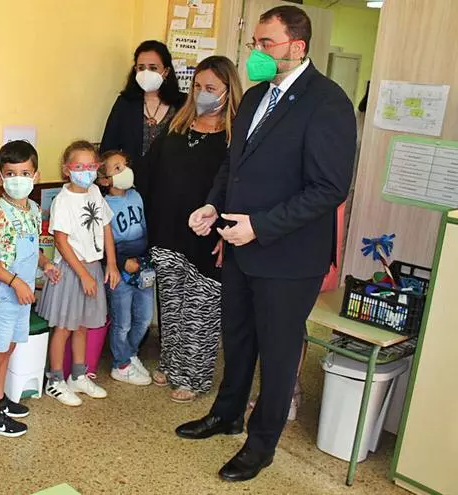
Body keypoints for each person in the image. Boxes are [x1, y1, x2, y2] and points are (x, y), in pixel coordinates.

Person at [178, 6, 356, 482]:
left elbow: (329, 188)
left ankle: (261, 445)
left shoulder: (327, 102)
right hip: (240, 246)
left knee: (278, 354)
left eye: (266, 43)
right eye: (253, 42)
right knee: (237, 338)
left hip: (289, 256)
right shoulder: (257, 96)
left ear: (297, 46)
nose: (255, 52)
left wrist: (260, 226)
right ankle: (227, 414)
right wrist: (213, 205)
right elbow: (233, 166)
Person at [141, 56, 242, 403]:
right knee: (172, 307)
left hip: (208, 239)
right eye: (197, 86)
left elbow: (238, 191)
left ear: (228, 92)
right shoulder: (176, 129)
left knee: (199, 310)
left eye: (211, 88)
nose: (202, 94)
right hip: (168, 233)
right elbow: (151, 177)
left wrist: (227, 234)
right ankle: (171, 364)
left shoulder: (234, 139)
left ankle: (193, 377)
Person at [0, 141, 59, 437]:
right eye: (11, 173)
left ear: (36, 176)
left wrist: (45, 265)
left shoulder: (34, 209)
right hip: (4, 296)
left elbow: (32, 248)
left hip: (22, 297)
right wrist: (15, 282)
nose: (18, 179)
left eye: (25, 173)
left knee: (8, 350)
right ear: (1, 176)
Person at [37, 140, 120, 406]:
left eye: (91, 166)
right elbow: (61, 242)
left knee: (82, 325)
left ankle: (78, 375)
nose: (86, 172)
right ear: (67, 169)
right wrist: (83, 275)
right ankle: (55, 380)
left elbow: (106, 227)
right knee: (63, 328)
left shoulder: (95, 191)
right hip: (72, 270)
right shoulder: (63, 201)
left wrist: (112, 263)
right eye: (79, 167)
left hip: (92, 267)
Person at [94, 151, 153, 387]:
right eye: (117, 168)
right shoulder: (103, 205)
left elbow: (145, 229)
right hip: (118, 269)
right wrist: (120, 262)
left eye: (125, 165)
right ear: (104, 180)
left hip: (142, 265)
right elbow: (99, 244)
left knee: (144, 318)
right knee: (123, 321)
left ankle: (129, 354)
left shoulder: (137, 196)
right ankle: (120, 364)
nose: (125, 170)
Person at [100, 40, 186, 169]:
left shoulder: (183, 103)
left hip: (171, 178)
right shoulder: (125, 103)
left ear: (166, 71)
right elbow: (108, 148)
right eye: (141, 68)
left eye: (153, 68)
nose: (146, 73)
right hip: (131, 177)